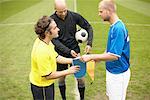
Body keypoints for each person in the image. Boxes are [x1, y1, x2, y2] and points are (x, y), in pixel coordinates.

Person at [81, 0, 131, 100]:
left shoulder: (118, 28)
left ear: (108, 11)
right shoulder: (113, 27)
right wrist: (95, 60)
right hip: (112, 71)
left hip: (118, 74)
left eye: (100, 11)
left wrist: (91, 56)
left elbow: (114, 56)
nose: (99, 14)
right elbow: (109, 51)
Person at [50, 0, 93, 100]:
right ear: (55, 10)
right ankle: (64, 98)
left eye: (65, 10)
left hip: (75, 52)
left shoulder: (74, 16)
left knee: (81, 79)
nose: (63, 13)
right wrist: (68, 51)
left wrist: (89, 43)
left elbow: (88, 27)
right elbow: (54, 41)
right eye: (60, 12)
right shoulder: (51, 21)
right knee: (61, 78)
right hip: (60, 54)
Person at [29, 16, 80, 100]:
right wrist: (68, 71)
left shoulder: (47, 42)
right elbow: (48, 76)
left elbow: (56, 57)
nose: (58, 29)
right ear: (47, 33)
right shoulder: (42, 51)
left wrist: (73, 60)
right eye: (55, 28)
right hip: (42, 87)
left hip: (47, 84)